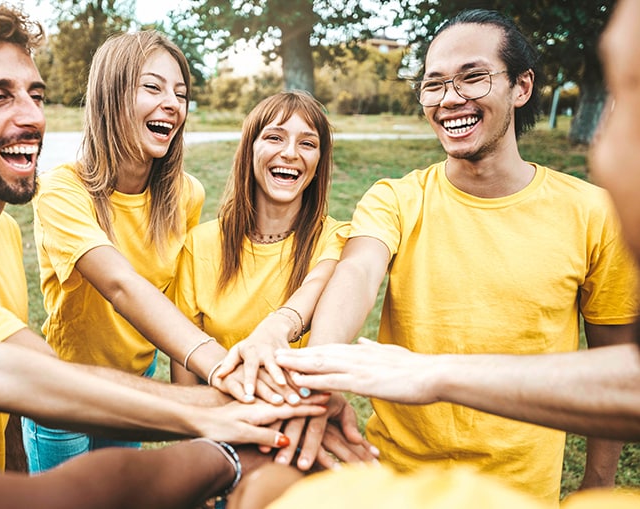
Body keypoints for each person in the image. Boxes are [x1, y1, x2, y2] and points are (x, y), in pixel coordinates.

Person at [0, 0, 322, 486]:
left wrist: (20, 477)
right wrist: (217, 399)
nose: (31, 117)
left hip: (50, 441)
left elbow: (3, 403)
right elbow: (26, 372)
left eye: (35, 95)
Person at [273, 8, 639, 505]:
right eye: (434, 84)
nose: (449, 100)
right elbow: (357, 272)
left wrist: (599, 483)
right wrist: (320, 375)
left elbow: (614, 358)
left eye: (473, 78)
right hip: (392, 481)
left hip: (521, 492)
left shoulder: (593, 213)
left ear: (522, 87)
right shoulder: (395, 198)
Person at [24, 31, 318, 472]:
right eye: (153, 87)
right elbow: (121, 285)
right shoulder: (62, 190)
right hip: (66, 383)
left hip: (136, 386)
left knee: (117, 496)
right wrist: (219, 366)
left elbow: (178, 295)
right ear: (113, 94)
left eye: (180, 93)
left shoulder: (185, 195)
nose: (172, 104)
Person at [171, 91, 373, 471]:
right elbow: (185, 371)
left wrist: (276, 327)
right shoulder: (200, 244)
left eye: (307, 143)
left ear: (318, 162)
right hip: (221, 437)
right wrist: (197, 449)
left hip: (294, 442)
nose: (291, 153)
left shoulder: (338, 238)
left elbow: (318, 285)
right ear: (250, 149)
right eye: (275, 137)